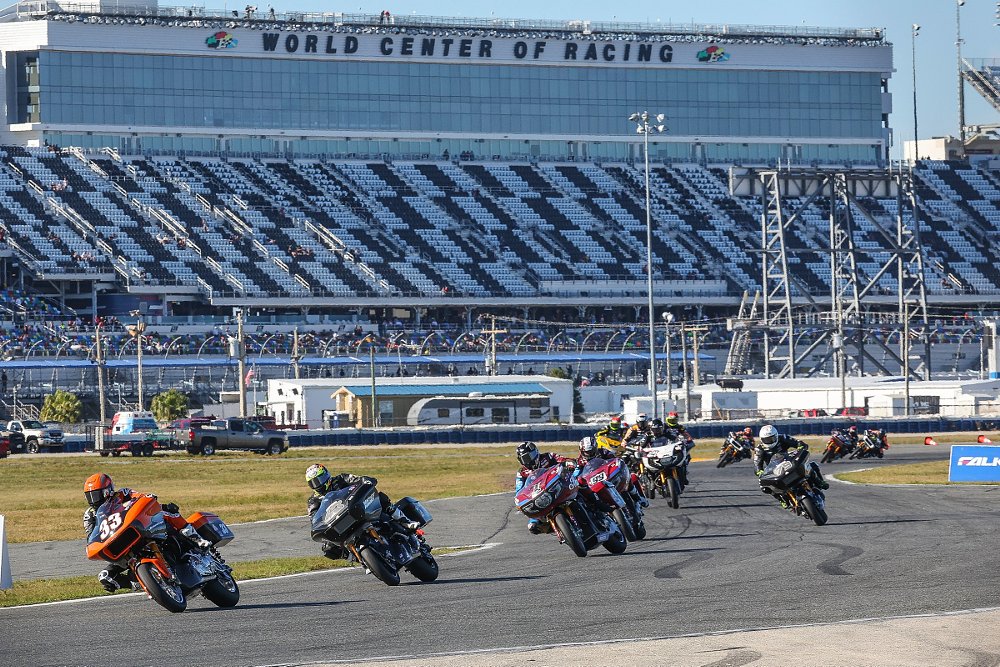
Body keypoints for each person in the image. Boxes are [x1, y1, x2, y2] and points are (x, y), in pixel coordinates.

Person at [83, 473, 208, 593]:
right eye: (90, 496)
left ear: (107, 490)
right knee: (105, 576)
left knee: (168, 510)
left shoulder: (122, 494)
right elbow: (91, 536)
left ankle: (196, 538)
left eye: (96, 494)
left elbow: (139, 497)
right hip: (120, 544)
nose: (94, 500)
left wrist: (147, 497)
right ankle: (142, 582)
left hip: (138, 528)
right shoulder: (89, 515)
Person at [305, 464, 413, 560]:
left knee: (380, 497)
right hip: (339, 523)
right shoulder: (313, 501)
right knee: (328, 549)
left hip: (356, 510)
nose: (317, 484)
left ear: (326, 475)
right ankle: (356, 558)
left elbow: (360, 480)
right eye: (313, 482)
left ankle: (404, 521)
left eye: (319, 479)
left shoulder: (341, 479)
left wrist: (367, 481)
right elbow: (314, 519)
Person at [753, 425, 829, 506]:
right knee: (764, 487)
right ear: (761, 439)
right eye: (767, 439)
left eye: (772, 438)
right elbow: (757, 464)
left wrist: (801, 447)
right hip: (774, 471)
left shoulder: (783, 438)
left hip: (788, 462)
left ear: (776, 436)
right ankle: (781, 499)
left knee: (812, 465)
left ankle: (820, 482)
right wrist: (760, 472)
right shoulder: (759, 449)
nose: (770, 441)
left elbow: (798, 443)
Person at [514, 442, 574, 534]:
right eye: (524, 458)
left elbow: (564, 460)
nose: (528, 460)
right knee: (532, 527)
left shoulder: (548, 456)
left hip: (561, 487)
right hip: (541, 498)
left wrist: (568, 463)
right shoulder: (522, 472)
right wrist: (519, 500)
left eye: (530, 456)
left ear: (536, 452)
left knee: (582, 488)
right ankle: (561, 530)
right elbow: (519, 491)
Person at [576, 436, 648, 509]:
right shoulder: (580, 460)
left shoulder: (603, 452)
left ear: (595, 448)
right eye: (586, 452)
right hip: (596, 481)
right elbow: (577, 473)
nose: (589, 454)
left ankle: (638, 497)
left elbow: (615, 460)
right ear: (581, 451)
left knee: (627, 477)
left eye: (591, 451)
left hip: (609, 475)